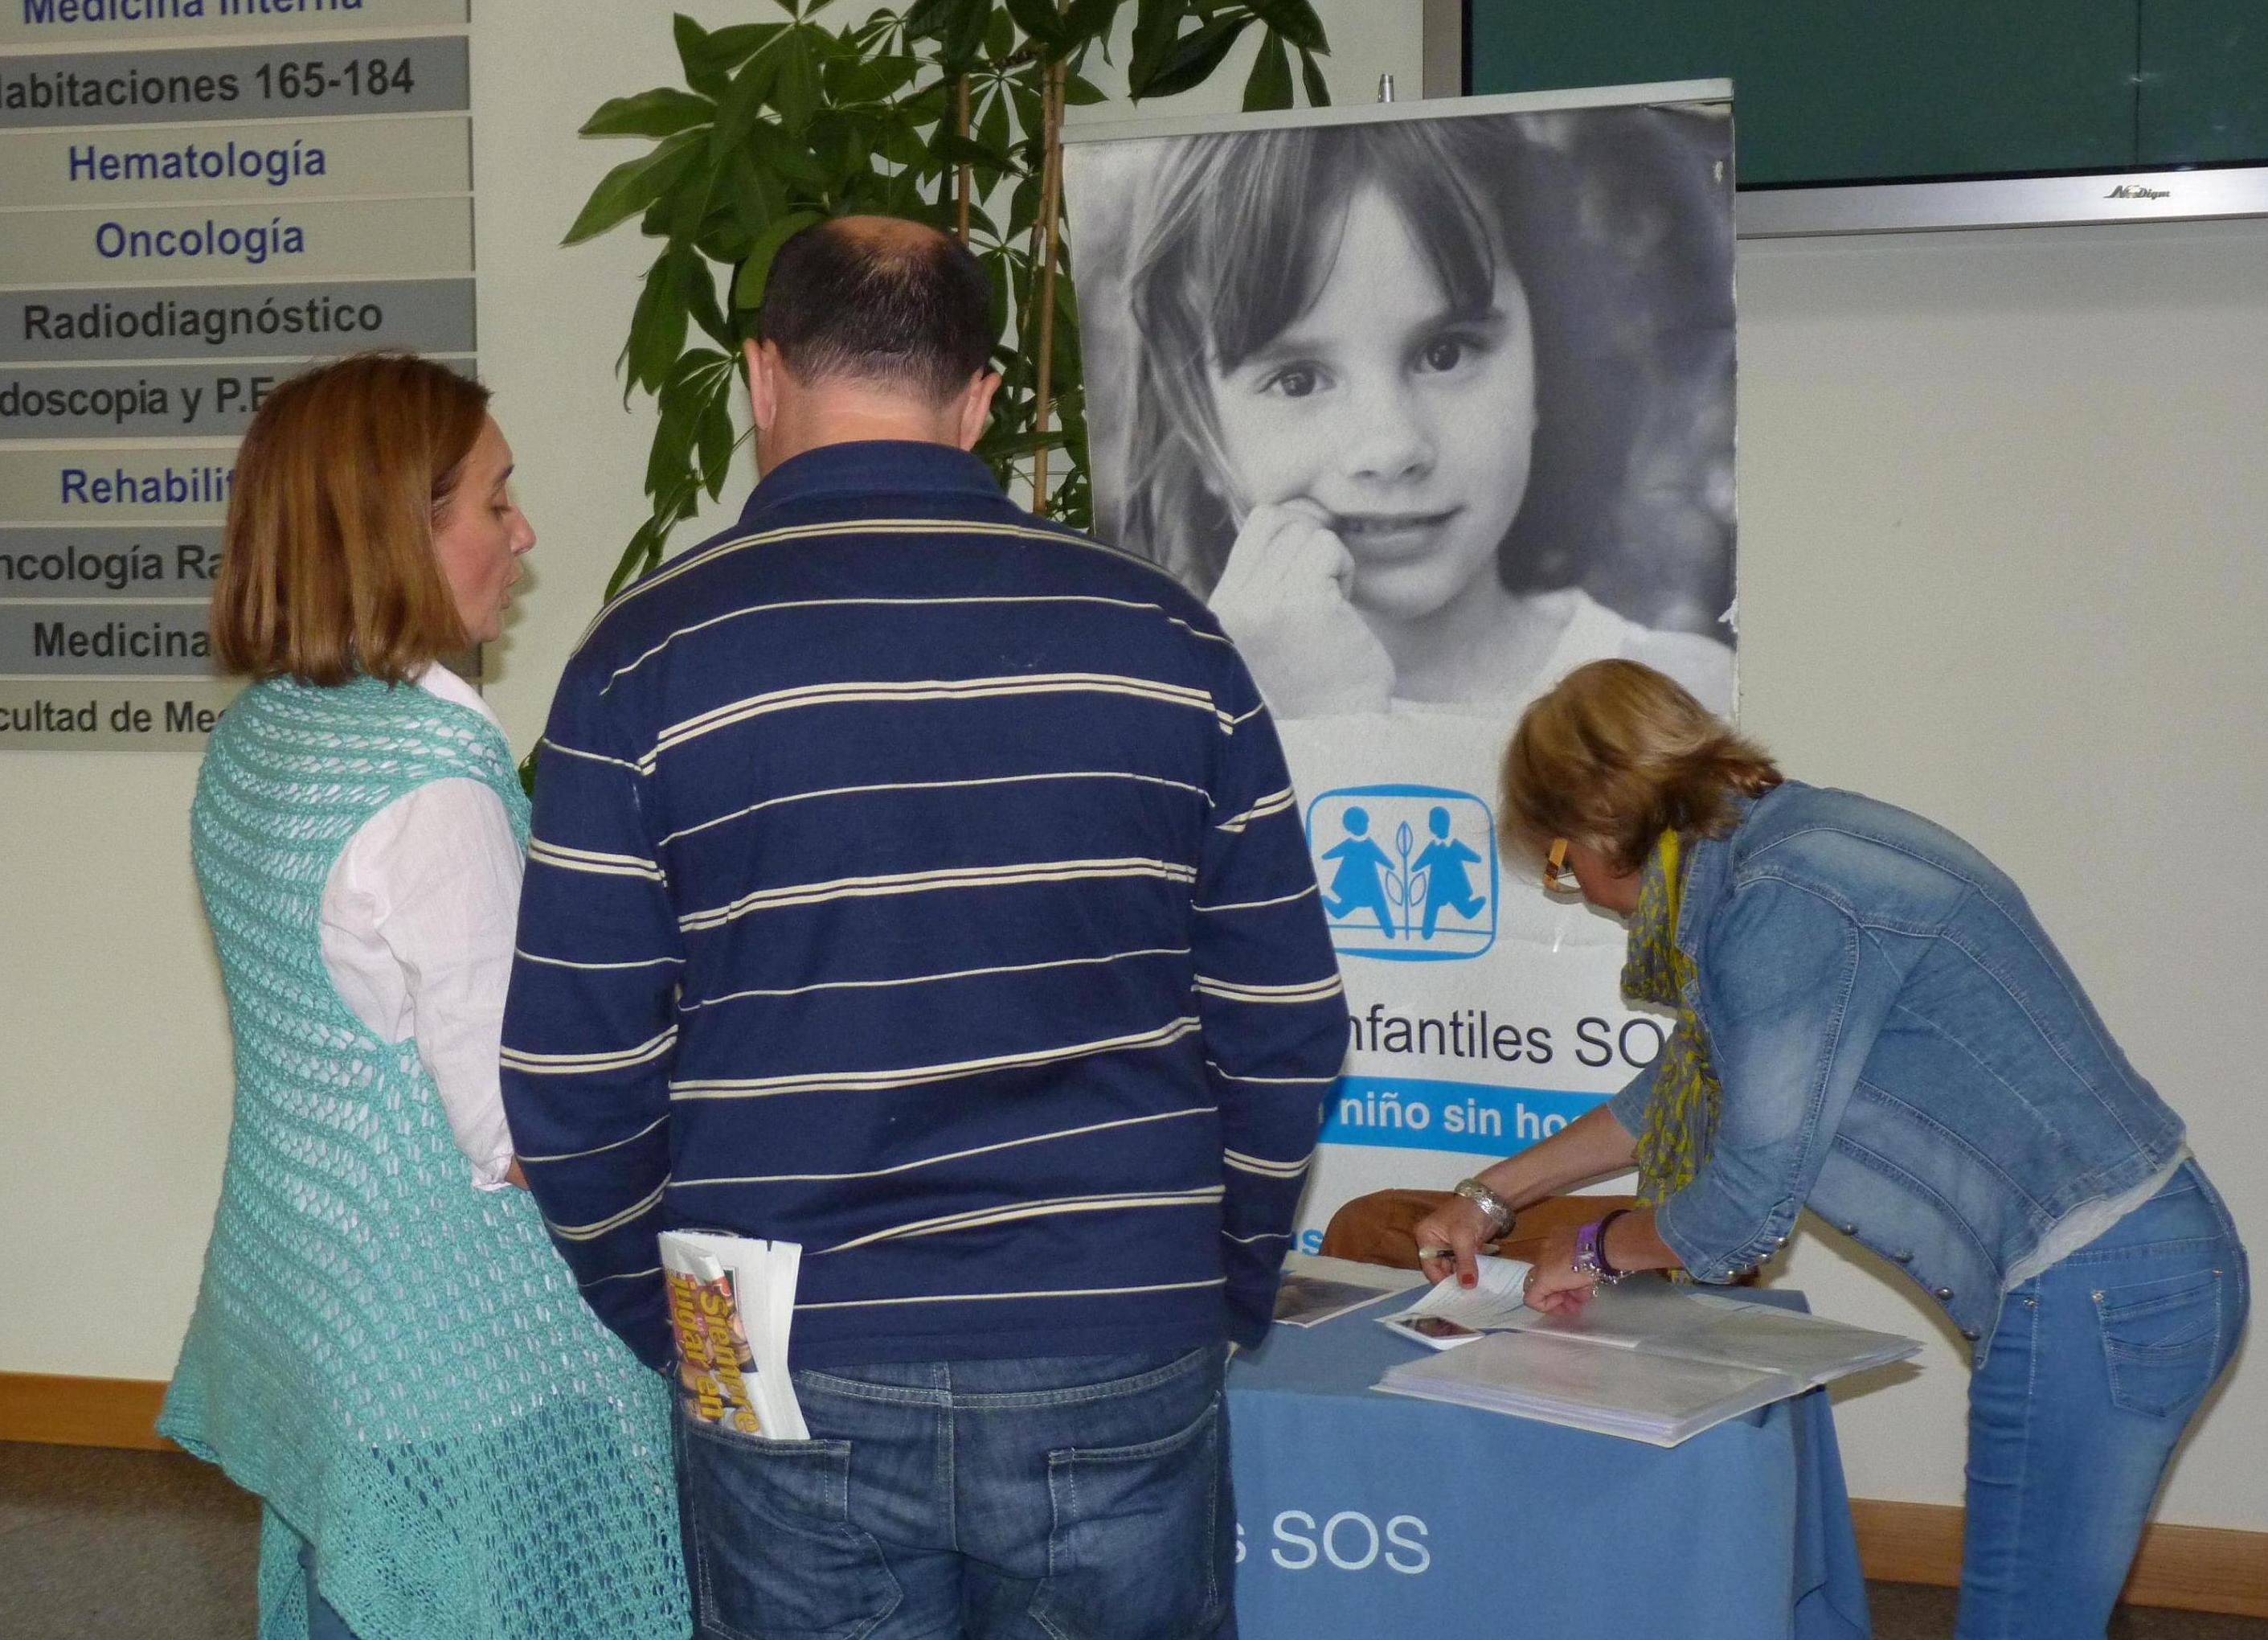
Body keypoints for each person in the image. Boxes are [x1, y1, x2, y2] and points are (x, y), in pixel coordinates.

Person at [502, 217, 1349, 1640]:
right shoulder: (1167, 643)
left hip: (779, 1348)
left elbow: (572, 1079)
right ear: (979, 399)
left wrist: (673, 1321)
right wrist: (1221, 1279)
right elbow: (1283, 1027)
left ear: (763, 376)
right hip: (1114, 1327)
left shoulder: (642, 663)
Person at [1412, 659, 2249, 1639]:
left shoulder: (1786, 900)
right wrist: (1490, 1197)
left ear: (1601, 827)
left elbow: (1741, 1209)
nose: (1585, 896)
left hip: (2096, 1289)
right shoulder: (1780, 856)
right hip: (2123, 1273)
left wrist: (1596, 1248)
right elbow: (1686, 1085)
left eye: (1561, 866)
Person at [160, 353, 686, 1640]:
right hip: (460, 1349)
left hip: (322, 1308)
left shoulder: (265, 733)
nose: (525, 533)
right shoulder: (432, 784)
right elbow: (519, 1127)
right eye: (495, 502)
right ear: (400, 529)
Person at [1108, 114, 1734, 720]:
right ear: (1200, 427)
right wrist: (1315, 724)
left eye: (1445, 354)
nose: (1392, 447)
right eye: (1298, 380)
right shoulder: (1177, 735)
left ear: (1543, 362)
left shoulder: (1682, 702)